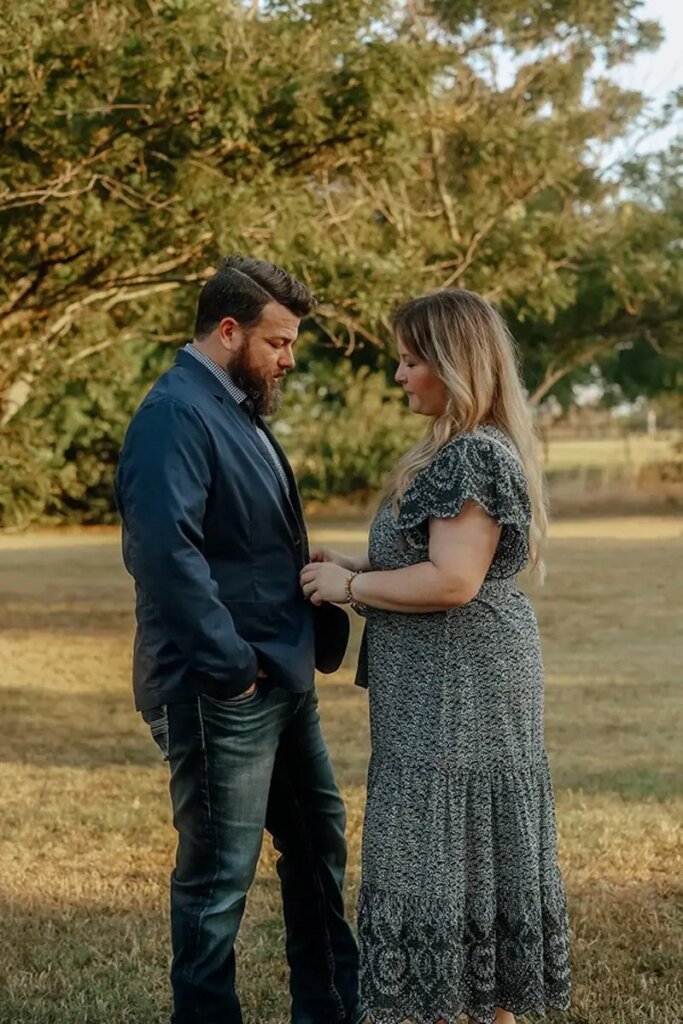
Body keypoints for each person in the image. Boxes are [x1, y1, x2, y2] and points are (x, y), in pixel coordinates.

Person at [300, 289, 571, 1024]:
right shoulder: (448, 452)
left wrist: (352, 584)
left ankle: (473, 1010)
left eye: (411, 360)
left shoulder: (474, 455)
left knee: (458, 845)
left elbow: (453, 579)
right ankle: (462, 1007)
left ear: (454, 365)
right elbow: (427, 557)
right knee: (455, 846)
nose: (399, 375)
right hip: (438, 679)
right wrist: (353, 563)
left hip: (466, 684)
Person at [115, 255, 366, 1024]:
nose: (288, 359)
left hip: (279, 680)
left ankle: (328, 1010)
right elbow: (164, 553)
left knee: (318, 848)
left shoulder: (230, 405)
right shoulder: (174, 414)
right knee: (217, 881)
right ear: (229, 331)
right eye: (278, 342)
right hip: (218, 688)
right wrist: (230, 670)